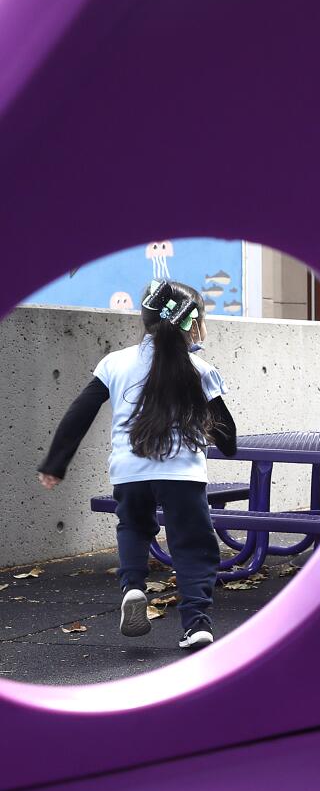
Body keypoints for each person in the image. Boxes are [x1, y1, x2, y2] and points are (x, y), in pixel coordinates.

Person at [36, 279, 238, 650]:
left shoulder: (115, 362)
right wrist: (221, 441)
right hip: (182, 474)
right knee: (193, 546)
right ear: (192, 325)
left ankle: (132, 588)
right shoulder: (200, 369)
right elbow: (228, 437)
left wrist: (56, 462)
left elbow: (79, 412)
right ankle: (196, 624)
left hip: (129, 471)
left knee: (133, 526)